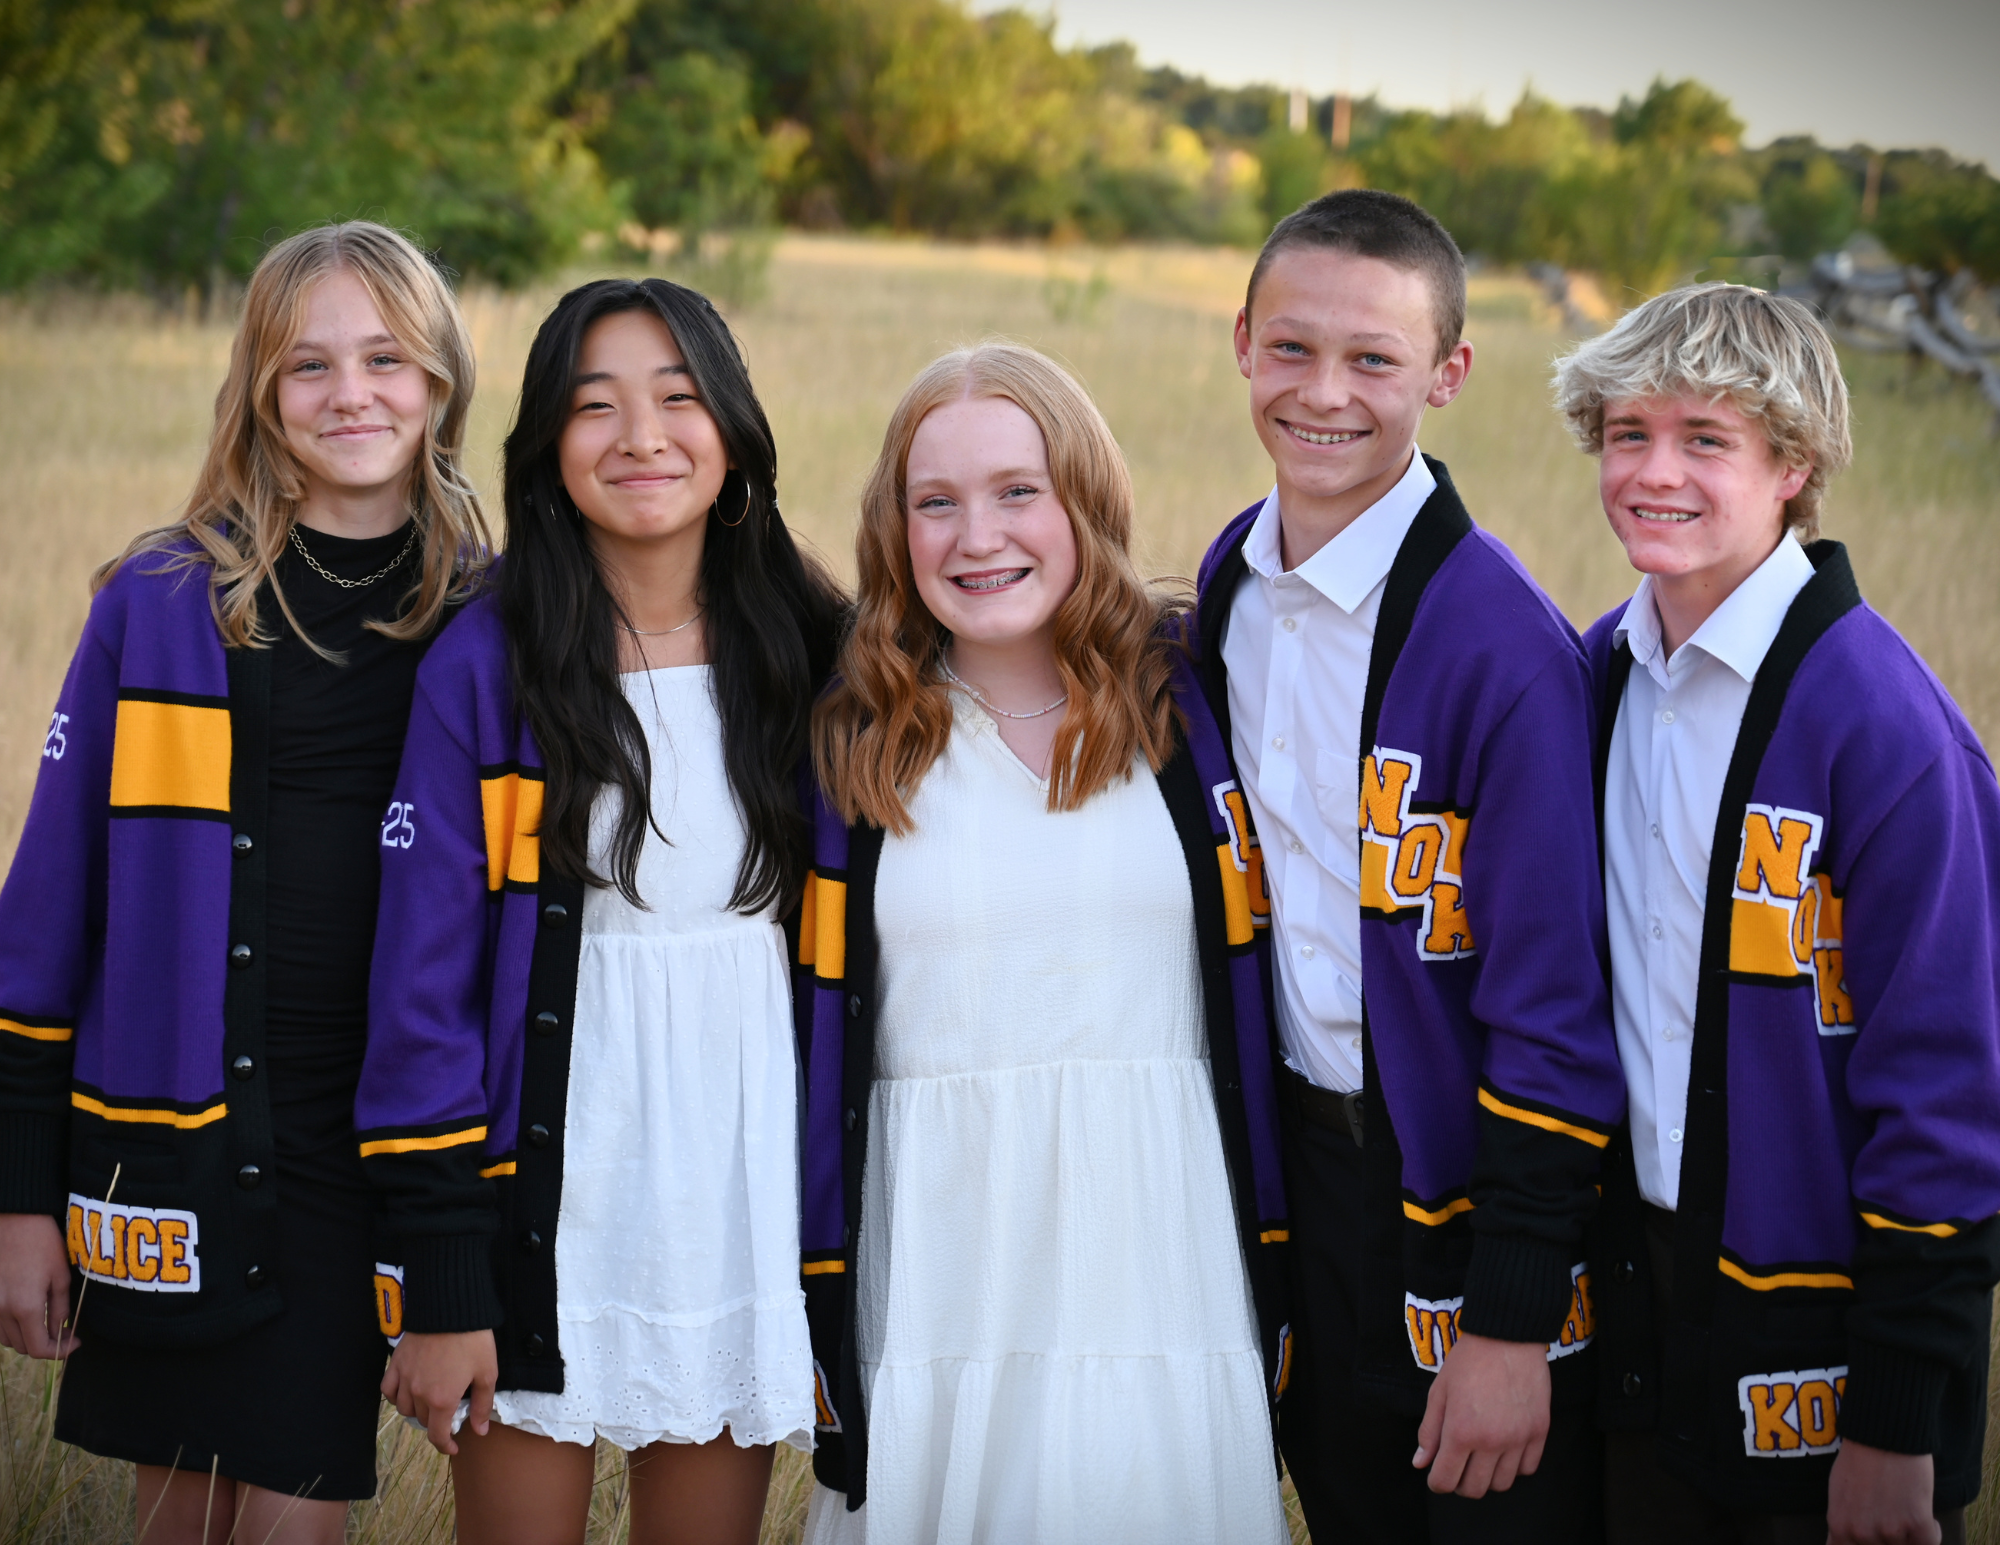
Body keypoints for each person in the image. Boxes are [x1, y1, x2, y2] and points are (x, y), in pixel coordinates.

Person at [0, 221, 489, 1543]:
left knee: (292, 1517)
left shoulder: (490, 618)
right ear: (260, 394)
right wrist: (18, 1195)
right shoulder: (159, 602)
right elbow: (42, 920)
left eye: (387, 357)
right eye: (308, 364)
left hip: (363, 1140)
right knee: (180, 1515)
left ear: (440, 377)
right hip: (172, 1140)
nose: (352, 394)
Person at [353, 276, 844, 1545]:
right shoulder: (486, 660)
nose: (640, 437)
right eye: (594, 406)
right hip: (544, 1189)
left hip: (733, 1182)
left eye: (679, 399)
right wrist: (441, 1273)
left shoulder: (811, 648)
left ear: (731, 433)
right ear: (544, 450)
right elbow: (423, 991)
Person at [795, 342, 1294, 1544]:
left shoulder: (1187, 704)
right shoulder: (855, 739)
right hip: (939, 1252)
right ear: (892, 530)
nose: (978, 536)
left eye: (1019, 491)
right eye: (936, 502)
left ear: (1085, 498)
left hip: (1152, 1242)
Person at [1191, 188, 1626, 1543]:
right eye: (1293, 349)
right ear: (1243, 341)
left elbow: (1555, 1013)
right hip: (1301, 1183)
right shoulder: (1230, 587)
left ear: (1448, 373)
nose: (1326, 394)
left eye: (1375, 360)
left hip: (1462, 1191)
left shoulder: (1502, 644)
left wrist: (1509, 1323)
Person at [1559, 282, 2000, 1545]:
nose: (1653, 472)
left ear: (1792, 463)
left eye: (1705, 440)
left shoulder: (1887, 731)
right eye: (1627, 433)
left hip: (1827, 1359)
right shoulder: (1597, 679)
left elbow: (1949, 1098)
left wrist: (1894, 1423)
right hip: (1647, 1313)